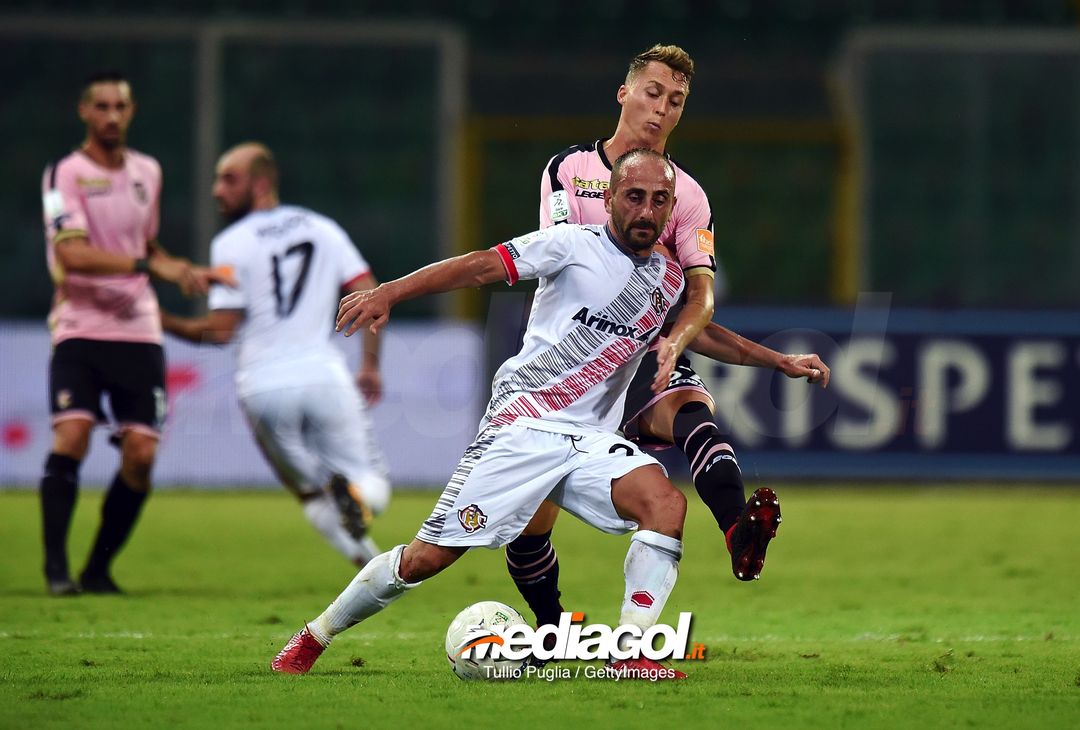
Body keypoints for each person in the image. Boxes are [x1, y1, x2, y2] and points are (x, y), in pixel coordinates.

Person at [271, 149, 692, 679]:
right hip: (524, 424)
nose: (647, 211)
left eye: (659, 201)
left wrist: (778, 360)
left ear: (671, 206)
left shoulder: (667, 278)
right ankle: (314, 636)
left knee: (665, 504)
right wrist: (391, 293)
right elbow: (479, 266)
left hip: (587, 439)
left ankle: (631, 654)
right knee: (426, 560)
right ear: (609, 199)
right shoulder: (568, 244)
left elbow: (702, 331)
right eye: (635, 197)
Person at [505, 44, 830, 632]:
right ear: (624, 93)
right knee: (529, 526)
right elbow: (563, 262)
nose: (661, 110)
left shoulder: (690, 196)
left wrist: (680, 342)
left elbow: (698, 297)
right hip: (567, 364)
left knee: (692, 413)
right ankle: (555, 629)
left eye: (676, 101)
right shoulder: (568, 170)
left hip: (645, 353)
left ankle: (738, 532)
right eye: (653, 93)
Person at [39, 70, 228, 595]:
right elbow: (70, 253)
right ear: (84, 112)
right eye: (101, 106)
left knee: (141, 454)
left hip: (138, 331)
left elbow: (148, 247)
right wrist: (150, 264)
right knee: (72, 436)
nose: (111, 116)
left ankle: (97, 568)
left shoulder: (148, 172)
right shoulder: (65, 174)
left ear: (131, 111)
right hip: (79, 326)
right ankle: (56, 569)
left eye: (120, 107)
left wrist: (180, 267)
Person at [160, 143, 391, 566]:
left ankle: (371, 568)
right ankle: (360, 501)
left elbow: (218, 330)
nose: (217, 190)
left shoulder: (231, 242)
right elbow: (368, 290)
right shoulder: (322, 228)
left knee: (310, 492)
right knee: (371, 483)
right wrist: (370, 363)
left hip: (262, 385)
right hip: (324, 375)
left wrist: (161, 319)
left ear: (261, 182)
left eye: (229, 179)